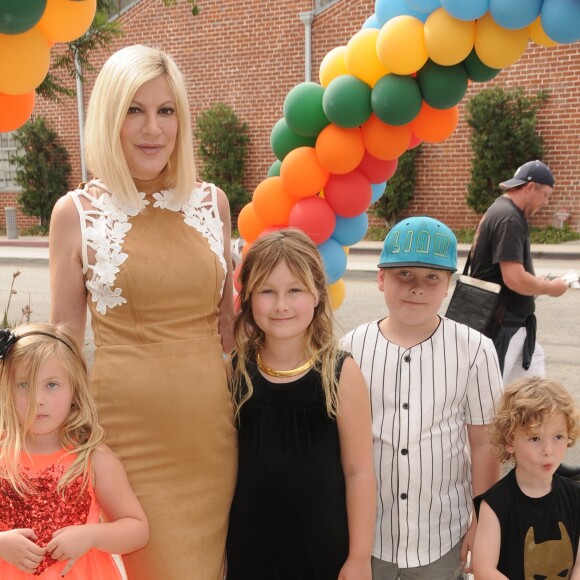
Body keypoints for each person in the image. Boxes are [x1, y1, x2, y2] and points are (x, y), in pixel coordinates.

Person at [48, 45, 237, 579]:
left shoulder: (212, 203)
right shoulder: (76, 213)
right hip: (122, 443)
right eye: (134, 110)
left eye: (166, 110)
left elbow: (228, 329)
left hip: (210, 439)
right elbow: (64, 338)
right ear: (109, 116)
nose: (153, 128)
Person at [341, 216, 503, 579]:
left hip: (442, 536)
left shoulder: (475, 350)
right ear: (380, 278)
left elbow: (484, 445)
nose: (417, 288)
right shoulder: (350, 348)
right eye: (404, 275)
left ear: (448, 285)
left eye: (432, 277)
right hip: (369, 537)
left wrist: (483, 520)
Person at [226, 228, 376, 579]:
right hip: (249, 547)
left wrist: (359, 558)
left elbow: (360, 472)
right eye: (267, 291)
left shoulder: (341, 372)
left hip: (322, 550)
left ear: (317, 296)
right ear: (247, 297)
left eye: (294, 290)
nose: (281, 304)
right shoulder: (236, 369)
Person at [0, 323, 149, 579]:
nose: (38, 399)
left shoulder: (93, 458)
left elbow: (137, 529)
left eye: (52, 385)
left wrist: (91, 535)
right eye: (23, 384)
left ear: (74, 390)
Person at [469, 160, 569, 386]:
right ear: (530, 187)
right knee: (492, 398)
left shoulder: (500, 209)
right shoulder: (510, 219)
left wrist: (534, 282)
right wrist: (551, 289)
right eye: (545, 195)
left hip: (513, 326)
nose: (545, 202)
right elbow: (513, 278)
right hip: (503, 325)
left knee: (533, 397)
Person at [472, 377, 580, 579]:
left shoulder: (576, 496)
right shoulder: (495, 504)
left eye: (558, 437)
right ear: (510, 441)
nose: (548, 451)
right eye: (535, 438)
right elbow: (484, 569)